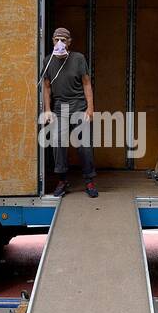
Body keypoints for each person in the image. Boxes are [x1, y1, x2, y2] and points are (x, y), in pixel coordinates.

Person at [39, 26, 97, 197]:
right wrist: (47, 110)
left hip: (79, 106)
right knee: (58, 143)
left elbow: (86, 83)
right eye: (56, 40)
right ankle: (62, 180)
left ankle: (89, 181)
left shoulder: (78, 59)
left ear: (69, 42)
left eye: (63, 40)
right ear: (52, 41)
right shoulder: (48, 61)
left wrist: (90, 108)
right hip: (59, 109)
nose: (60, 43)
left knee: (84, 146)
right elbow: (46, 87)